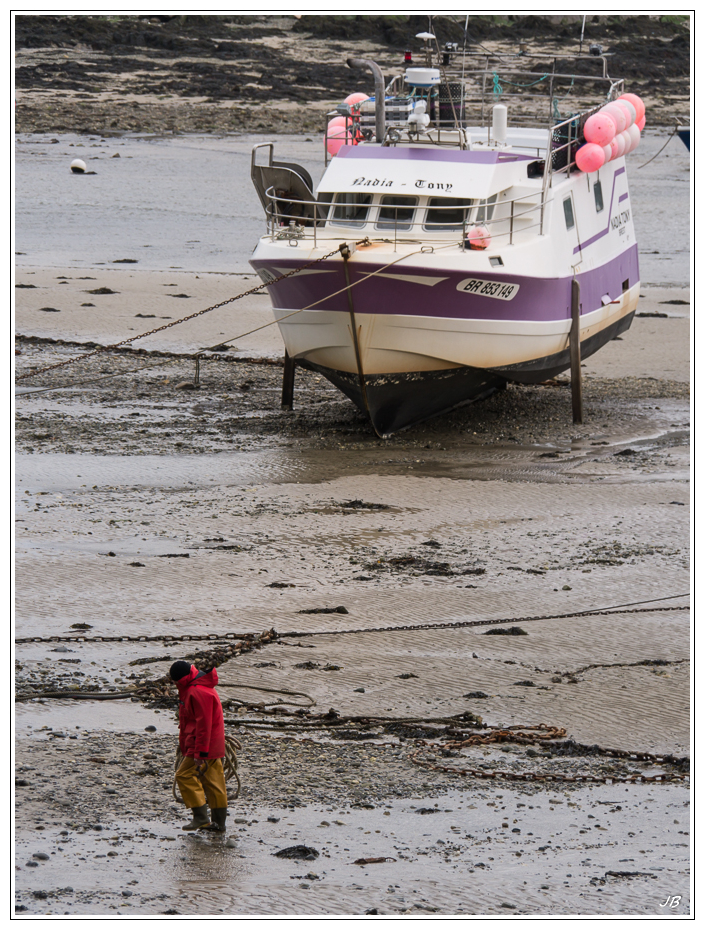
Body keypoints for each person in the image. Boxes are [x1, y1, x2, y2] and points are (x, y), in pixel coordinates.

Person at [170, 660, 228, 833]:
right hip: (212, 743)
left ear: (181, 679)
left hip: (204, 745)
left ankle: (201, 818)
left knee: (184, 775)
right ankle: (218, 824)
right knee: (214, 782)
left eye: (174, 681)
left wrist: (199, 753)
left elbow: (204, 726)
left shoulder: (197, 692)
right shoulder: (196, 687)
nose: (173, 684)